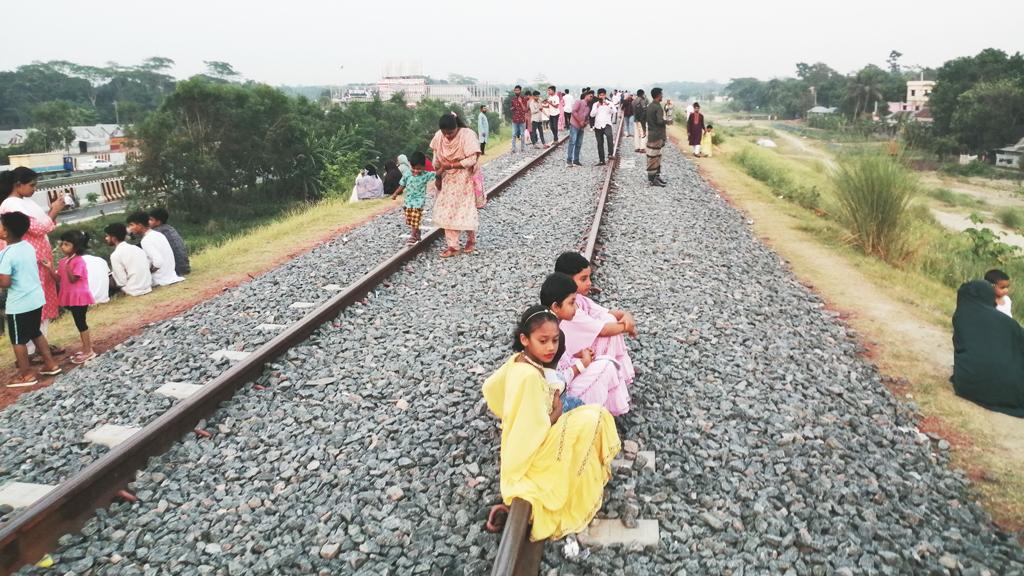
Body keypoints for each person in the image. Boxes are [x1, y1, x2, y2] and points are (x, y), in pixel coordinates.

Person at [482, 305, 620, 541]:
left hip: (529, 440)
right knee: (594, 418)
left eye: (555, 340)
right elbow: (535, 430)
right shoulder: (527, 377)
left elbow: (490, 387)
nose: (551, 348)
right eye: (543, 341)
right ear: (525, 339)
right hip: (530, 455)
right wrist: (555, 413)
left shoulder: (519, 361)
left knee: (591, 415)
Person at [540, 273, 633, 415]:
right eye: (571, 303)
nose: (575, 308)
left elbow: (561, 360)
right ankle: (594, 416)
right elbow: (555, 382)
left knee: (605, 362)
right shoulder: (548, 334)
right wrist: (581, 364)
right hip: (557, 402)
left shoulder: (550, 325)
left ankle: (600, 414)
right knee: (607, 365)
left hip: (560, 387)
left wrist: (578, 356)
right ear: (556, 307)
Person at [0, 168, 64, 347]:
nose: (34, 189)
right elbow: (37, 228)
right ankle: (31, 349)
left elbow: (44, 223)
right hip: (30, 260)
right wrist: (55, 210)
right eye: (32, 185)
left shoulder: (22, 202)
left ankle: (41, 344)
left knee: (41, 300)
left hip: (38, 258)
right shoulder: (11, 205)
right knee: (33, 303)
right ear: (18, 185)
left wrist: (52, 210)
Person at [0, 212, 61, 387]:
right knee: (35, 332)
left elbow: (5, 282)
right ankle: (51, 364)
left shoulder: (5, 254)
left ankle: (25, 375)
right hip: (36, 298)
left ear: (5, 232)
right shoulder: (27, 246)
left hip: (19, 304)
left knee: (18, 340)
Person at [951, 280, 1024, 417]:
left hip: (968, 385)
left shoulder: (960, 317)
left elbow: (962, 351)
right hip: (1008, 391)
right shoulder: (1007, 322)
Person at [430, 112, 481, 258]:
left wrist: (452, 164)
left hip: (464, 176)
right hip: (446, 177)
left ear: (456, 127)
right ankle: (453, 246)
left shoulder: (467, 134)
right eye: (445, 133)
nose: (447, 136)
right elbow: (436, 159)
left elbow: (472, 159)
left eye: (450, 133)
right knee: (447, 211)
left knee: (465, 209)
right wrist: (438, 174)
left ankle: (471, 239)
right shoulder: (439, 136)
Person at [554, 251, 638, 336]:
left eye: (589, 278)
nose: (589, 283)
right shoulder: (568, 309)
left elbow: (608, 313)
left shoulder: (580, 299)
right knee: (610, 322)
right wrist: (626, 327)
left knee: (609, 318)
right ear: (567, 281)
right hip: (573, 348)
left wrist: (626, 315)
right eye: (583, 279)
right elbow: (603, 331)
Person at [51, 230, 95, 364]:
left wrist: (68, 267)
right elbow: (58, 279)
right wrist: (50, 268)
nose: (62, 247)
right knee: (79, 322)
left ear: (75, 247)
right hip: (71, 296)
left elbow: (72, 279)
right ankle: (86, 348)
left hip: (79, 296)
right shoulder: (64, 261)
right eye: (62, 244)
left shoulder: (78, 261)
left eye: (66, 244)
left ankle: (89, 350)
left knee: (81, 323)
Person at [126, 212, 184, 287]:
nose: (130, 228)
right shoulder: (158, 234)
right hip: (170, 274)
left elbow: (158, 262)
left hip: (160, 278)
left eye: (131, 225)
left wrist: (148, 272)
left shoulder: (146, 240)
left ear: (140, 225)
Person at [391, 152, 435, 245]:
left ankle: (413, 236)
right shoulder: (407, 174)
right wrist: (395, 193)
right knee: (410, 218)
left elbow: (437, 174)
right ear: (410, 165)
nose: (415, 171)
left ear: (424, 167)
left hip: (419, 200)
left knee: (415, 216)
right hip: (408, 200)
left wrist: (444, 169)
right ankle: (417, 231)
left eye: (419, 169)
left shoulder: (426, 175)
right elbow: (402, 185)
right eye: (414, 168)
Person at [104, 223, 152, 297]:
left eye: (107, 236)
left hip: (133, 290)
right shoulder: (137, 248)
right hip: (147, 287)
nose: (106, 238)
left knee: (106, 280)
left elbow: (121, 282)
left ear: (114, 238)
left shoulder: (115, 255)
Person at [147, 207, 191, 276]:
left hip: (176, 271)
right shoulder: (170, 228)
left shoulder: (156, 232)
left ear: (158, 222)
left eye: (151, 220)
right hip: (184, 268)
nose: (148, 222)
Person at [645, 87, 669, 187]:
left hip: (651, 134)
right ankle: (653, 179)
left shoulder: (650, 105)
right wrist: (667, 121)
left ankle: (655, 176)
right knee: (655, 157)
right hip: (657, 135)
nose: (662, 96)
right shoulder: (658, 107)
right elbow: (659, 121)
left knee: (653, 156)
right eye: (661, 94)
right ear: (658, 95)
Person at [567, 90, 592, 167]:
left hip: (581, 127)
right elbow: (574, 111)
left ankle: (576, 160)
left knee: (579, 144)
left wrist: (586, 122)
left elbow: (587, 117)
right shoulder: (579, 102)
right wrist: (580, 121)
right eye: (590, 96)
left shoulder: (588, 107)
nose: (591, 98)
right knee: (572, 142)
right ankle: (569, 160)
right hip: (574, 125)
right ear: (586, 95)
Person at [590, 89, 615, 166]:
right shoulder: (595, 104)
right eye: (600, 95)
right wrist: (596, 107)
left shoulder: (609, 103)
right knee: (600, 143)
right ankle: (601, 160)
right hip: (598, 125)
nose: (602, 96)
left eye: (603, 95)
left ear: (605, 95)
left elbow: (614, 111)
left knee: (609, 136)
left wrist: (608, 105)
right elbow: (592, 115)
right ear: (598, 96)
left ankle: (610, 153)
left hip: (607, 124)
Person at [510, 85, 530, 153]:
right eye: (515, 90)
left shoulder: (524, 99)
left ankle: (523, 148)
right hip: (515, 120)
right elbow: (512, 108)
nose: (516, 91)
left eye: (518, 90)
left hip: (522, 120)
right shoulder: (513, 99)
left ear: (520, 91)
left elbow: (525, 110)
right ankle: (513, 149)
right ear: (514, 91)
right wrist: (512, 108)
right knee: (513, 134)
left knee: (522, 134)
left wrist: (521, 102)